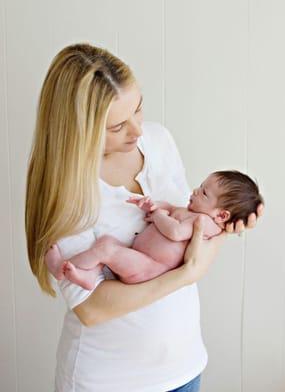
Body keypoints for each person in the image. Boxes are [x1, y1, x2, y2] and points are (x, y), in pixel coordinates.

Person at [25, 43, 263, 392]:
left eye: (138, 110)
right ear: (79, 128)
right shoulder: (66, 188)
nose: (137, 130)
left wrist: (227, 225)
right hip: (109, 382)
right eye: (118, 125)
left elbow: (197, 229)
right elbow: (91, 308)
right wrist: (187, 275)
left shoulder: (159, 141)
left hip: (185, 368)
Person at [44, 170, 264, 290]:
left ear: (222, 215)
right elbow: (170, 210)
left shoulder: (206, 224)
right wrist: (154, 206)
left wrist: (158, 215)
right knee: (107, 244)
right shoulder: (194, 212)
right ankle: (88, 276)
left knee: (108, 251)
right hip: (141, 257)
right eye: (200, 186)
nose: (196, 191)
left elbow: (176, 232)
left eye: (204, 193)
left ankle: (61, 267)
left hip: (149, 268)